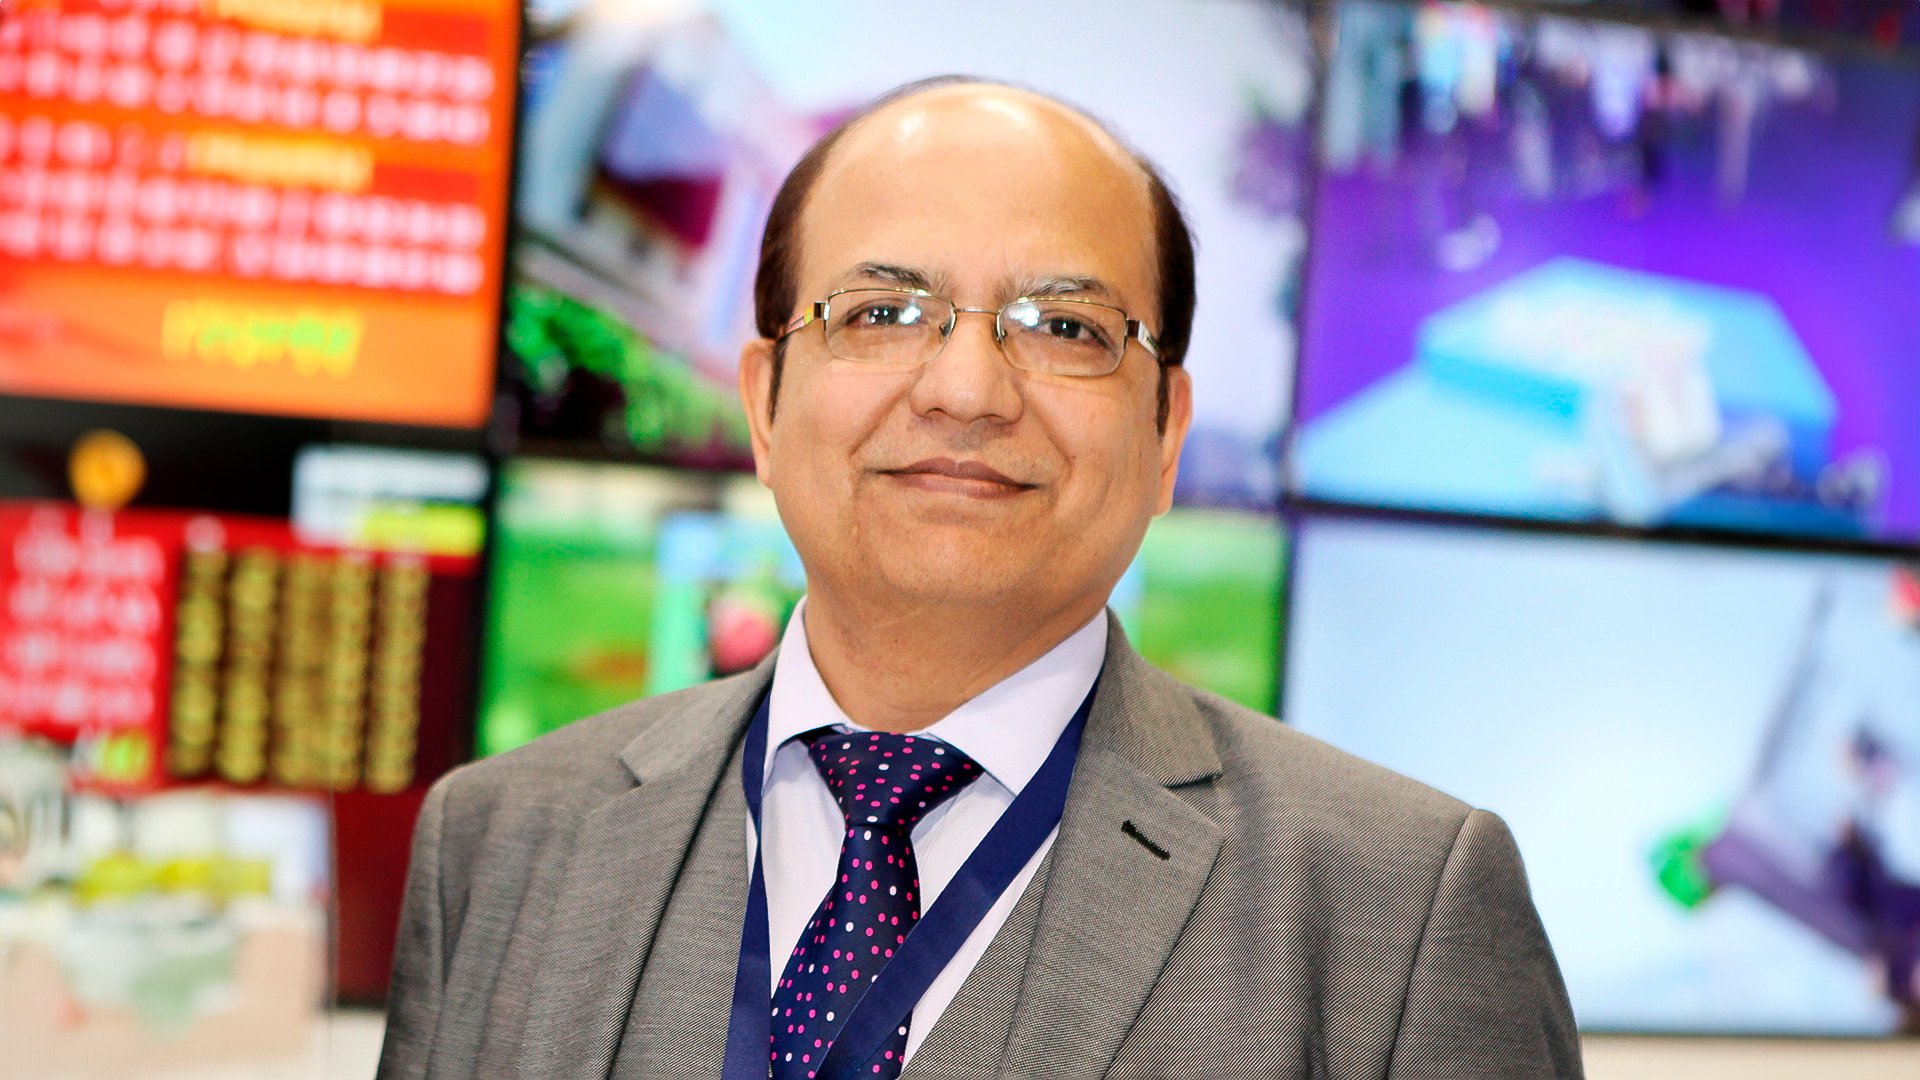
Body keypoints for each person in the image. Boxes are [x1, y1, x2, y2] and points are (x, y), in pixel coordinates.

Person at [377, 77, 1581, 1080]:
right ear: (764, 403)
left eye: (1065, 328)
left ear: (1166, 434)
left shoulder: (1402, 913)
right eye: (881, 311)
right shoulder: (496, 846)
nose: (965, 390)